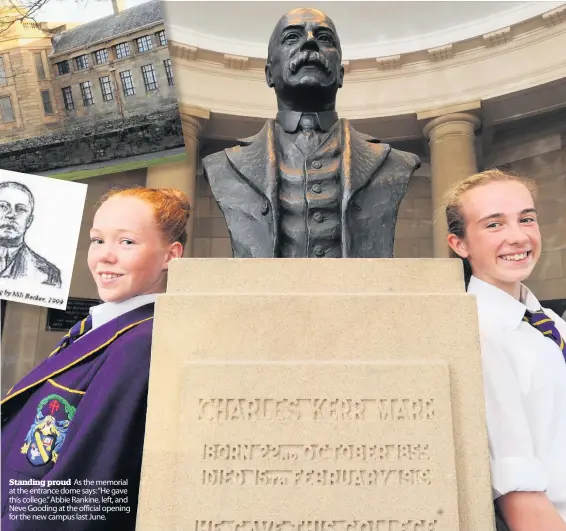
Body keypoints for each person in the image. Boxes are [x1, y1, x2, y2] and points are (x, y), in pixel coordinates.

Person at [0, 187, 189, 530]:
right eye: (97, 240)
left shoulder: (140, 344)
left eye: (126, 242)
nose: (104, 256)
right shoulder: (100, 327)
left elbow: (87, 485)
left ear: (170, 256)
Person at [203, 7, 420, 258]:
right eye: (292, 37)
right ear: (269, 74)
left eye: (324, 38)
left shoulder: (394, 163)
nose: (310, 43)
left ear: (340, 74)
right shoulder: (223, 165)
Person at [445, 169, 566, 530]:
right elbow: (519, 494)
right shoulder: (476, 334)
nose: (518, 237)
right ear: (460, 245)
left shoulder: (549, 322)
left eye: (526, 219)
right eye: (494, 225)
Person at [0, 181, 61, 287]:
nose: (10, 215)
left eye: (20, 209)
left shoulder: (48, 274)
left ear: (29, 221)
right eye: (3, 206)